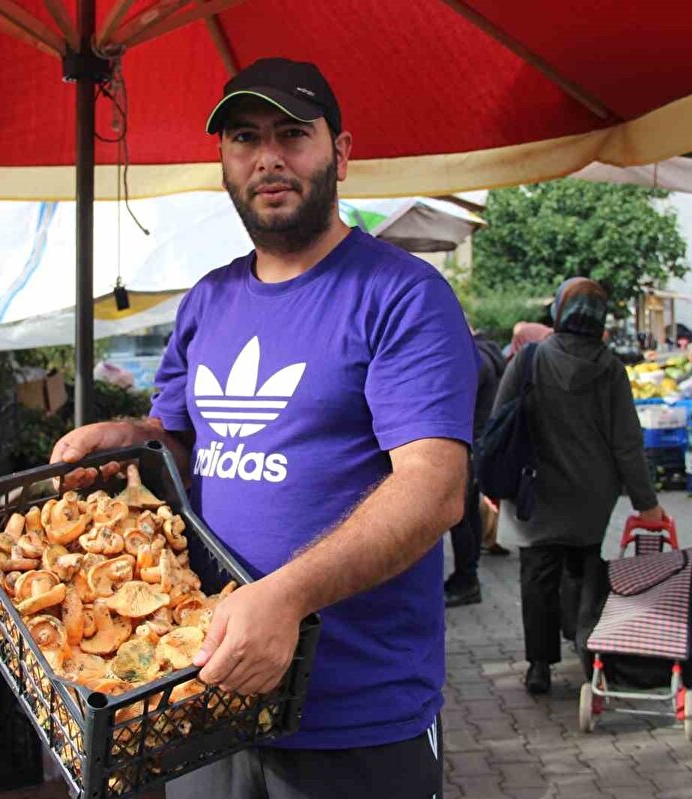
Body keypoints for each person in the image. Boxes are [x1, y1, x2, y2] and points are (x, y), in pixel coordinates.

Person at [50, 58, 476, 799]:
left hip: (356, 718)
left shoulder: (402, 295)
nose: (268, 157)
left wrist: (286, 596)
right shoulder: (207, 301)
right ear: (223, 160)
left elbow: (435, 489)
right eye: (245, 138)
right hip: (200, 694)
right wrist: (133, 438)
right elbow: (182, 442)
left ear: (340, 152)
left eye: (292, 134)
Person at [493, 277, 663, 695]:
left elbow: (499, 421)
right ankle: (586, 646)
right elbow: (627, 443)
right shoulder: (610, 369)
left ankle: (539, 665)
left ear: (559, 310)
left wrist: (491, 483)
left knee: (537, 574)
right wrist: (646, 503)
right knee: (583, 570)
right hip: (591, 494)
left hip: (534, 489)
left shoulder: (530, 358)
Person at [445, 330, 506, 606]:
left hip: (468, 445)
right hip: (477, 444)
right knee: (468, 513)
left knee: (461, 517)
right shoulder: (487, 356)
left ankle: (466, 579)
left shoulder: (474, 361)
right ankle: (468, 574)